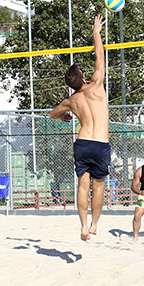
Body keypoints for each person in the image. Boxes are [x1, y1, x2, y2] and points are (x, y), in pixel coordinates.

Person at [49, 15, 110, 241]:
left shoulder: (71, 101)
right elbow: (100, 56)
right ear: (83, 77)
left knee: (82, 187)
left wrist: (65, 116)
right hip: (100, 143)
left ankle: (83, 226)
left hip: (82, 143)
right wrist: (96, 31)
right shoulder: (96, 86)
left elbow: (52, 114)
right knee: (99, 186)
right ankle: (94, 225)